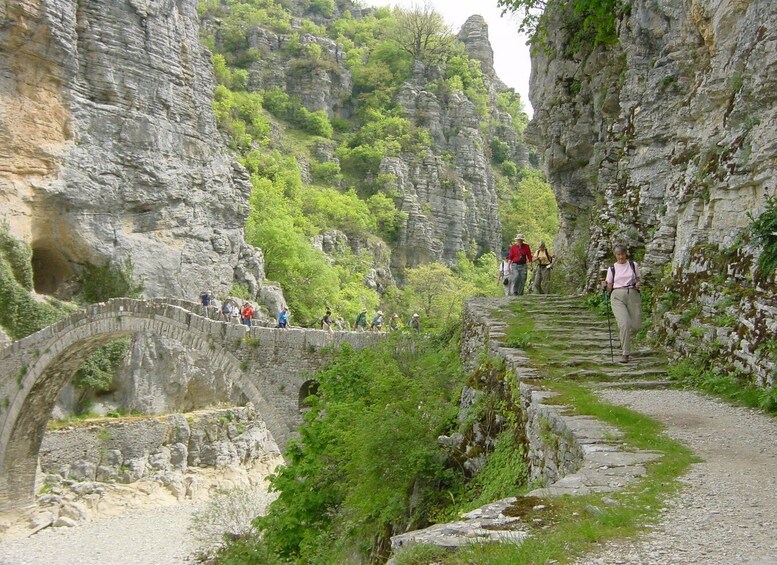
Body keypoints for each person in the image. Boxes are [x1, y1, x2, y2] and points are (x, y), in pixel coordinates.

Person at [603, 244, 642, 363]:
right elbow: (609, 285)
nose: (620, 257)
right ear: (615, 255)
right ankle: (625, 353)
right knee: (624, 323)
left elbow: (639, 279)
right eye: (618, 254)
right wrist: (605, 286)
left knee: (636, 326)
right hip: (617, 296)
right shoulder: (612, 268)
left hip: (632, 294)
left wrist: (638, 284)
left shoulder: (633, 265)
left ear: (626, 254)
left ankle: (624, 336)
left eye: (622, 254)